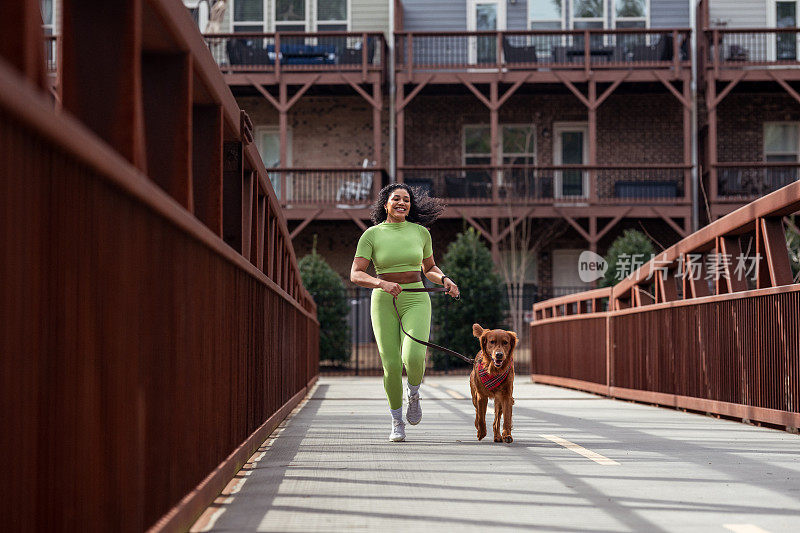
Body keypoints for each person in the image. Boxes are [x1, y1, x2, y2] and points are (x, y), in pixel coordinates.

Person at [350, 184, 459, 442]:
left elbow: (429, 267)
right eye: (396, 199)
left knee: (413, 355)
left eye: (406, 200)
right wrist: (381, 283)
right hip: (384, 299)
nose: (402, 203)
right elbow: (355, 274)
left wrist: (443, 279)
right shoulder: (371, 235)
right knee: (390, 364)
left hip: (416, 298)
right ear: (385, 204)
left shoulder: (420, 232)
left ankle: (414, 393)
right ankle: (397, 422)